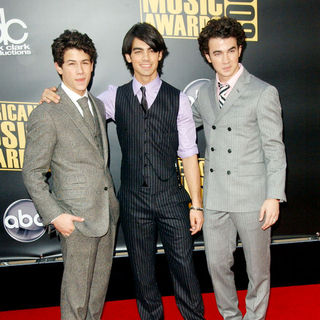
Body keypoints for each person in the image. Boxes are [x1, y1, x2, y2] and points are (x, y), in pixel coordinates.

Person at [40, 23, 204, 320]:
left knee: (184, 269)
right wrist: (53, 94)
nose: (145, 58)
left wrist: (197, 203)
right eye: (137, 51)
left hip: (172, 199)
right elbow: (78, 107)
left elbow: (190, 153)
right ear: (128, 57)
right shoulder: (113, 98)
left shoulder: (178, 99)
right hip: (132, 202)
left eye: (152, 51)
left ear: (161, 55)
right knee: (142, 275)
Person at [192, 17, 287, 320]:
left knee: (257, 268)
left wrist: (274, 195)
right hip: (216, 196)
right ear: (208, 56)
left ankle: (254, 317)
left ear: (240, 49)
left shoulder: (263, 92)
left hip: (253, 197)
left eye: (231, 51)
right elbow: (176, 122)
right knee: (217, 265)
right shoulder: (204, 94)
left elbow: (274, 147)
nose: (225, 59)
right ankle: (230, 316)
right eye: (217, 53)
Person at [22, 30, 119, 320]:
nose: (80, 70)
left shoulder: (97, 105)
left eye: (86, 62)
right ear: (58, 66)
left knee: (96, 296)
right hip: (74, 218)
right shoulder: (47, 113)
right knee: (76, 299)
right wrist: (55, 216)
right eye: (72, 63)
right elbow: (32, 173)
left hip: (106, 214)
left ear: (93, 65)